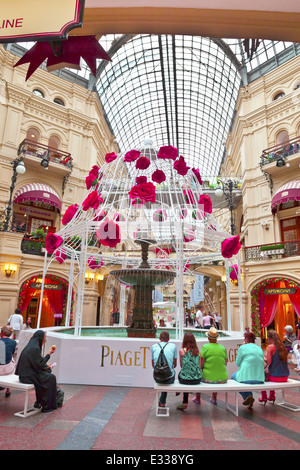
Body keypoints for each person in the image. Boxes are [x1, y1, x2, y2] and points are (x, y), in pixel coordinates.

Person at [15, 330, 57, 413]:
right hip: (27, 377)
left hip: (25, 375)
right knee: (51, 377)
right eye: (44, 338)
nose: (45, 341)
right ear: (40, 338)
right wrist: (48, 355)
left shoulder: (31, 346)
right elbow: (39, 366)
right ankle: (47, 405)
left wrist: (46, 366)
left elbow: (36, 363)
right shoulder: (35, 348)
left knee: (48, 375)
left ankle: (40, 402)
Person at [193, 327, 228, 405]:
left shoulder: (205, 347)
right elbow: (225, 363)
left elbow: (201, 361)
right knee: (215, 374)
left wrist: (200, 369)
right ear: (216, 338)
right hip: (223, 378)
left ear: (208, 337)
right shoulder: (222, 348)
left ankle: (197, 398)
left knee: (198, 375)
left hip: (209, 378)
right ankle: (214, 398)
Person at [231, 332, 265, 409]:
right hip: (260, 378)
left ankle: (248, 396)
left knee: (233, 377)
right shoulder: (259, 348)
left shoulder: (242, 348)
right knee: (245, 378)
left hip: (245, 378)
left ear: (246, 339)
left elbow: (238, 363)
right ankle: (249, 397)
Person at [259, 329, 289, 405]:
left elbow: (269, 362)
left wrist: (263, 357)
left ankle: (264, 397)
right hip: (285, 376)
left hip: (276, 377)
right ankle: (272, 396)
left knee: (262, 377)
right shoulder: (283, 347)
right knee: (269, 373)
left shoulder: (270, 347)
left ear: (269, 338)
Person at [151, 331, 177, 408]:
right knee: (169, 373)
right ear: (169, 339)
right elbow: (175, 365)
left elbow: (153, 365)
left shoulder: (153, 347)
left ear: (159, 338)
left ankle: (162, 401)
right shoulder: (173, 346)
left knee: (162, 374)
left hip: (157, 377)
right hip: (169, 378)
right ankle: (162, 401)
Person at [177, 333, 201, 410]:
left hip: (185, 380)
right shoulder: (198, 351)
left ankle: (184, 402)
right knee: (188, 374)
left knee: (183, 374)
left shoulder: (181, 351)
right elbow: (198, 366)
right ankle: (184, 400)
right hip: (196, 380)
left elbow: (181, 366)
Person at [0, 325, 17, 397]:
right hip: (8, 370)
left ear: (2, 333)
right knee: (12, 358)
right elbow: (12, 354)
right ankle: (8, 389)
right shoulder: (13, 342)